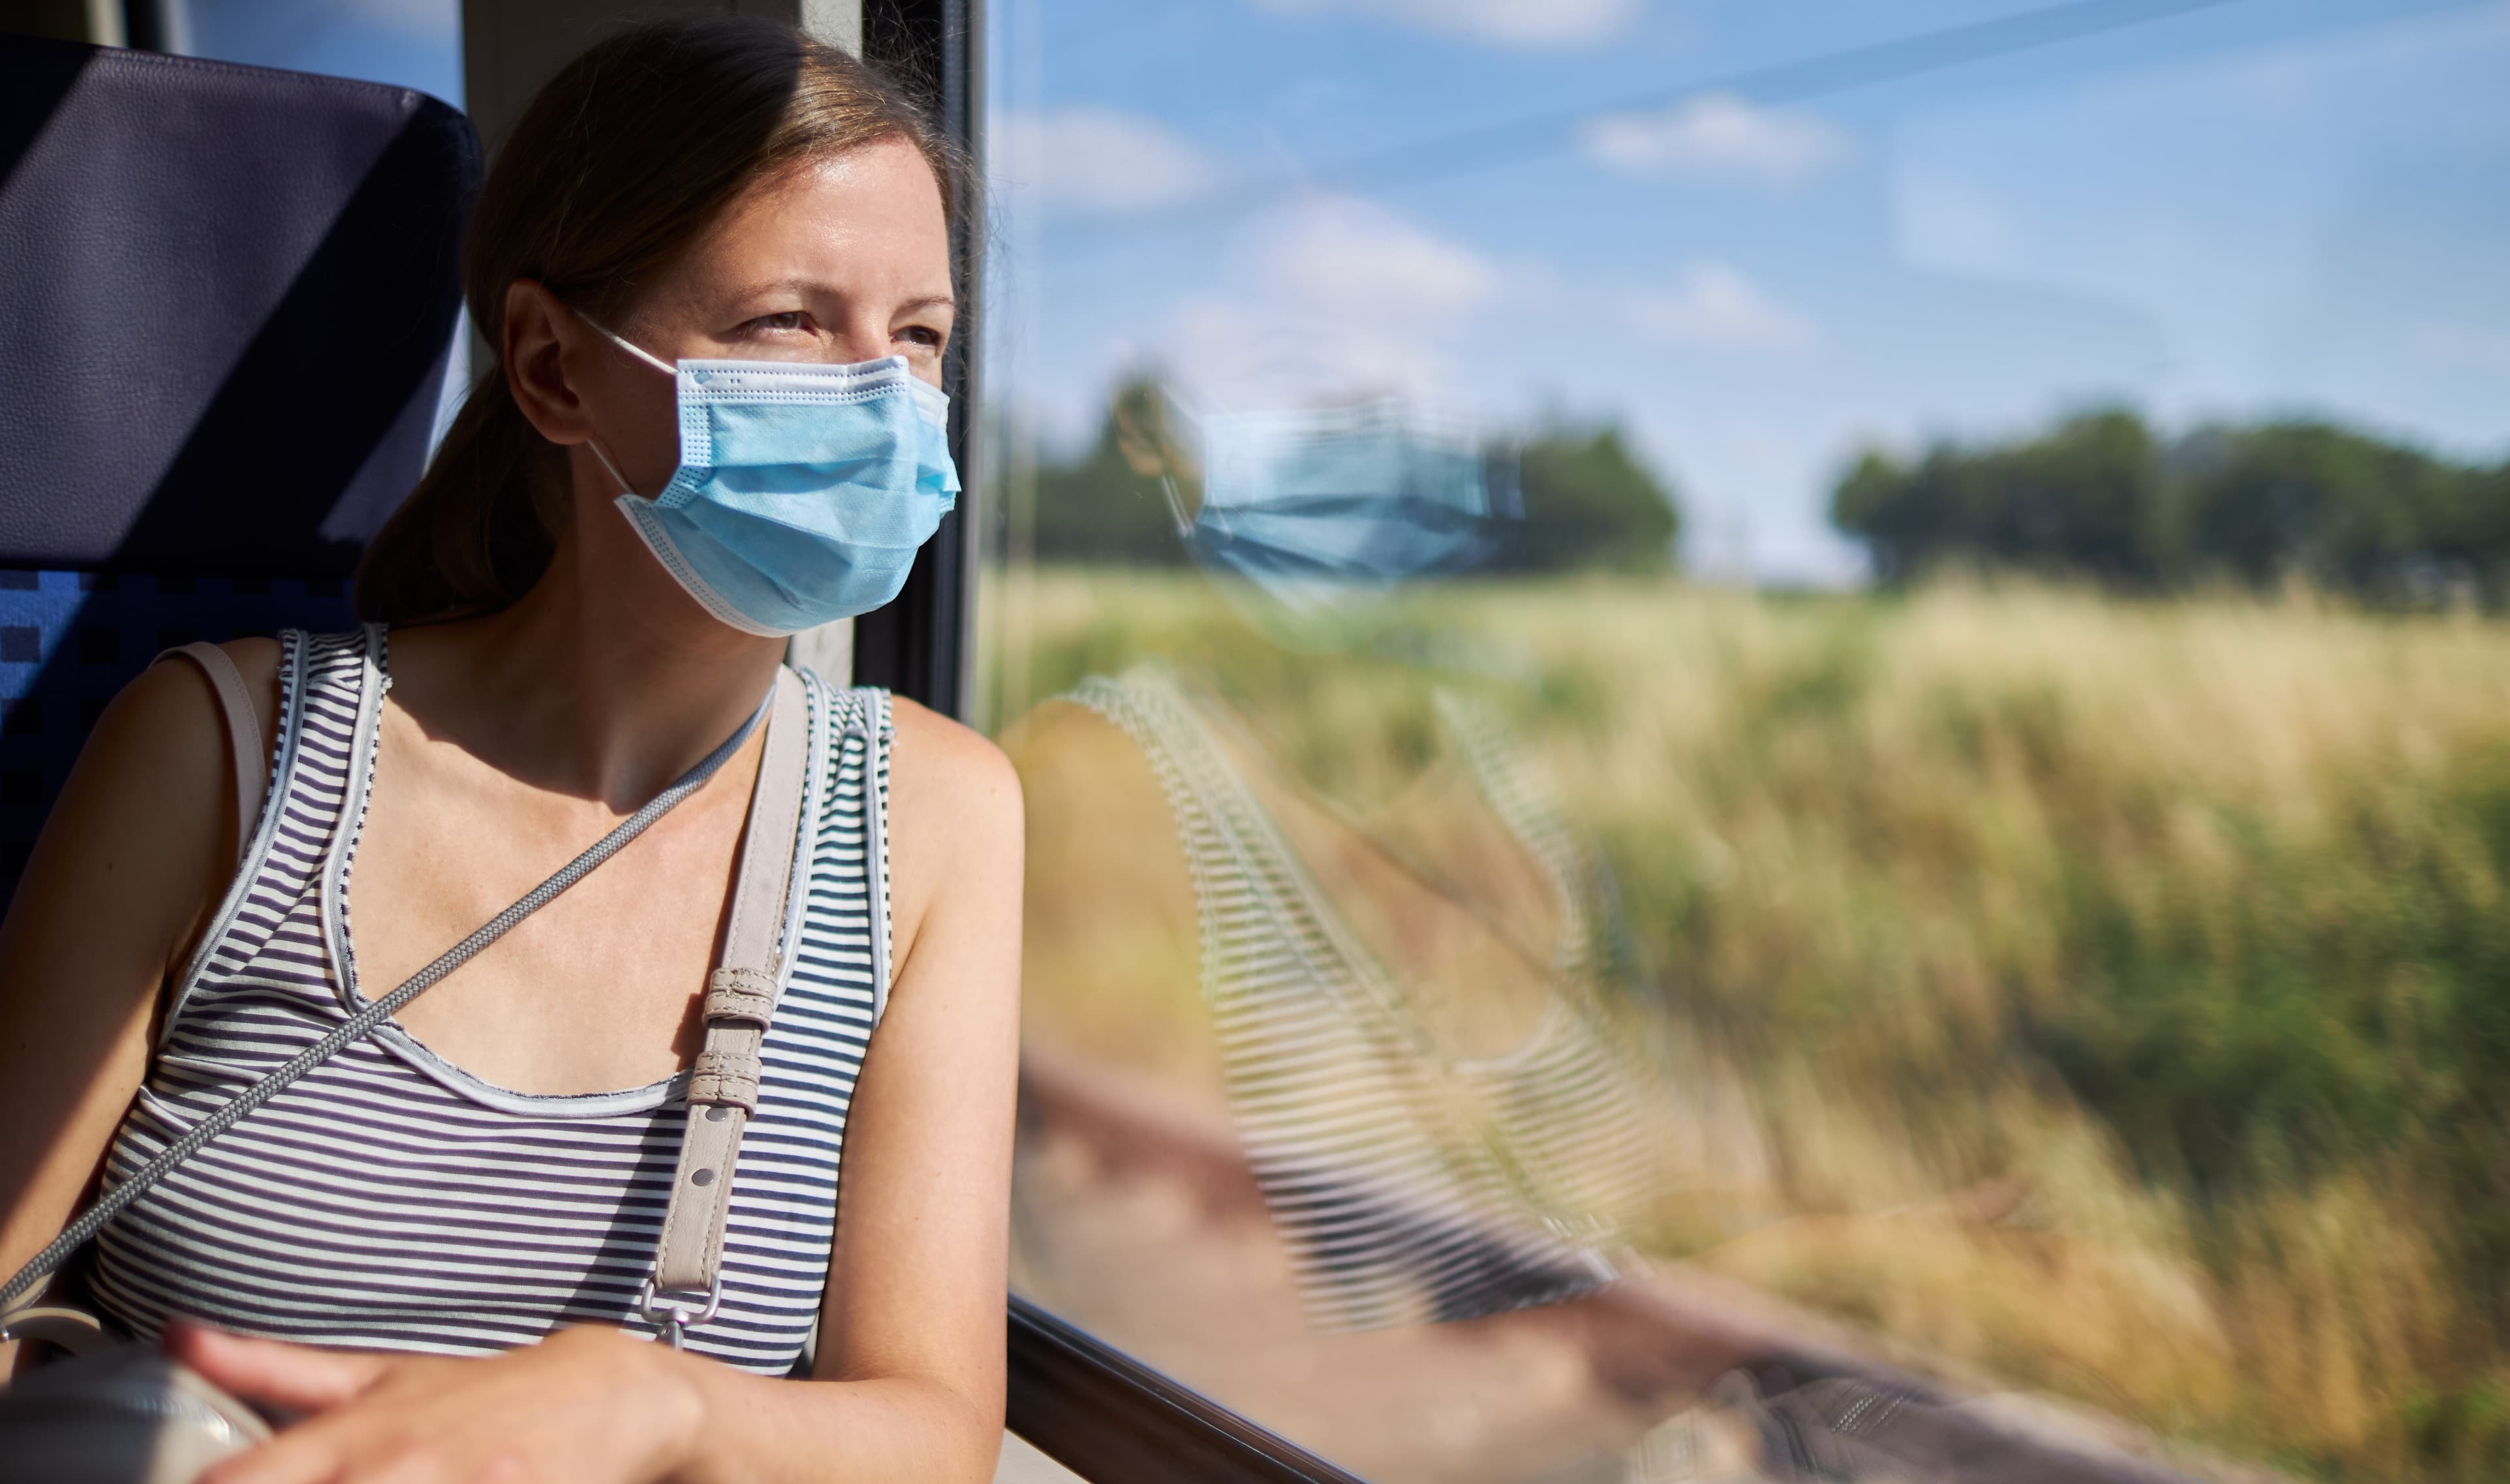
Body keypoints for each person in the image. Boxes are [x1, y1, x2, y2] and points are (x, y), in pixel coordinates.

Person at [0, 17, 1022, 1483]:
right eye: (791, 322)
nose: (883, 402)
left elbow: (932, 1429)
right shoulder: (219, 749)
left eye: (917, 336)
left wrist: (654, 1402)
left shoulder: (934, 818)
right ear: (551, 367)